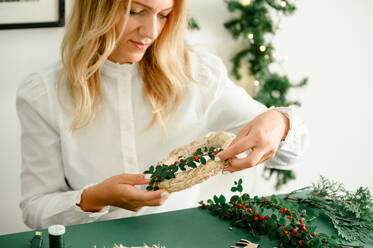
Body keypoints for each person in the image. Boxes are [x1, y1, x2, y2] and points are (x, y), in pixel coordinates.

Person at [16, 0, 308, 229]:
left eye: (164, 15)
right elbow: (35, 209)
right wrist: (93, 198)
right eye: (136, 11)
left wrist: (278, 122)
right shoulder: (44, 94)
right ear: (96, 10)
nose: (151, 31)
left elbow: (289, 155)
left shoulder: (198, 74)